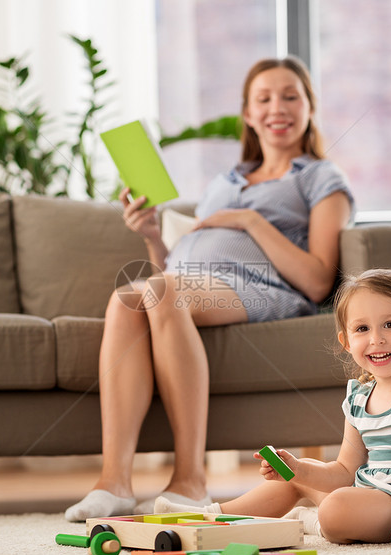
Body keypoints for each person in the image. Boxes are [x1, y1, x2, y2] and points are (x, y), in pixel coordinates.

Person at [64, 56, 354, 522]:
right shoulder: (226, 181)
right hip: (185, 284)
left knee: (165, 291)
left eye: (289, 96)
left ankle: (191, 480)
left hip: (263, 288)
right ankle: (114, 481)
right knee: (126, 299)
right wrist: (152, 236)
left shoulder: (320, 177)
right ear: (247, 113)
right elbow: (170, 271)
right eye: (263, 98)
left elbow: (319, 278)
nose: (276, 107)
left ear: (308, 108)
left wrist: (250, 220)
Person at [155, 269, 391, 547]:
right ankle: (210, 517)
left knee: (336, 508)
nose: (377, 339)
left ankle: (314, 522)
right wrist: (298, 469)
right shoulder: (358, 398)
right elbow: (345, 471)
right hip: (375, 493)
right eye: (362, 329)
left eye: (390, 324)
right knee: (295, 477)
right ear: (346, 342)